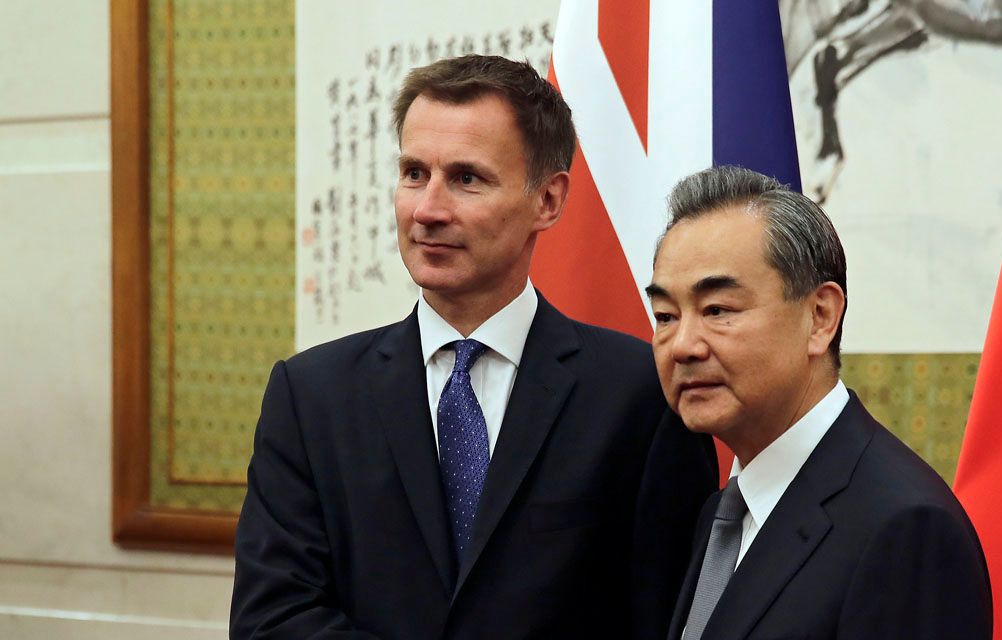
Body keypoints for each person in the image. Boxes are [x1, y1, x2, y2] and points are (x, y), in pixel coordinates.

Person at [231, 55, 717, 640]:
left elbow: (668, 620)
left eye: (466, 179)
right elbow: (272, 618)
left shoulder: (641, 394)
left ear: (548, 200)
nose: (428, 210)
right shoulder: (310, 396)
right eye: (414, 173)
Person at [646, 166, 991, 640]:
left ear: (820, 317)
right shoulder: (723, 514)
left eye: (717, 310)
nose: (683, 345)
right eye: (665, 315)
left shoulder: (905, 528)